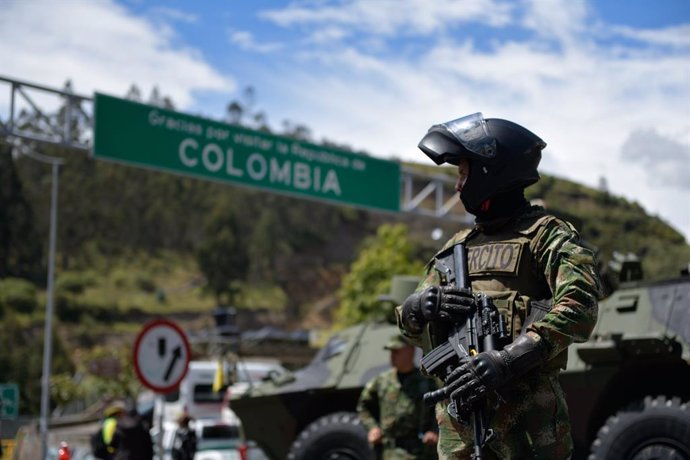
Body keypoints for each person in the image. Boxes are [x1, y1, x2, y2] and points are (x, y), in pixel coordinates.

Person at [397, 113, 601, 459]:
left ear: (491, 174)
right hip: (460, 429)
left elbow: (581, 305)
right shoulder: (455, 249)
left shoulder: (546, 236)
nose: (458, 186)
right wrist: (419, 307)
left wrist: (508, 359)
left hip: (529, 429)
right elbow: (410, 326)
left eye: (464, 173)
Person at [356, 334, 439, 459]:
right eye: (391, 352)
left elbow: (441, 407)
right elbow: (363, 406)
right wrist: (372, 428)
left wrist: (434, 431)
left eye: (396, 351)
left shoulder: (427, 382)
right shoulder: (381, 381)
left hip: (420, 451)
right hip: (389, 452)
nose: (392, 356)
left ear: (410, 351)